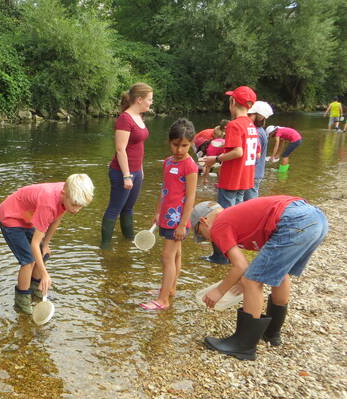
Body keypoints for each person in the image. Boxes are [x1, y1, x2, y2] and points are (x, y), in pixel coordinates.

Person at [191, 196, 327, 361]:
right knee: (279, 273)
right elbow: (261, 263)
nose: (207, 239)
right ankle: (271, 333)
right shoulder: (236, 218)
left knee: (251, 281)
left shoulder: (220, 225)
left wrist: (219, 291)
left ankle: (243, 346)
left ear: (204, 221)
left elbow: (241, 266)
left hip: (294, 221)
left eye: (201, 234)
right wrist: (243, 279)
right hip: (316, 219)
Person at [0, 174, 94, 314]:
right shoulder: (48, 203)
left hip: (27, 217)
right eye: (74, 205)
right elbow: (34, 244)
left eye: (80, 206)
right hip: (10, 216)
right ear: (64, 194)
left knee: (44, 252)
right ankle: (22, 299)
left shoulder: (70, 191)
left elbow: (56, 219)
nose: (76, 210)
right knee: (28, 260)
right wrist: (45, 274)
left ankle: (36, 286)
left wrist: (46, 244)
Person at [140, 119, 198, 311]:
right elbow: (165, 189)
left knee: (167, 257)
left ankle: (163, 300)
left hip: (178, 219)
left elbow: (190, 197)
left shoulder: (190, 166)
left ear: (191, 143)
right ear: (169, 142)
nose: (179, 150)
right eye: (176, 145)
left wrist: (182, 224)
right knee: (176, 254)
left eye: (185, 146)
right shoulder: (168, 162)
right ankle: (170, 288)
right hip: (166, 216)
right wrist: (158, 211)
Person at [201, 86, 258, 264]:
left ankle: (220, 256)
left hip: (231, 179)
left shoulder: (234, 125)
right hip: (245, 178)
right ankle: (235, 254)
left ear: (233, 103)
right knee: (237, 218)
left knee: (222, 218)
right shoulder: (251, 125)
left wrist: (215, 158)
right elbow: (254, 153)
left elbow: (238, 152)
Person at [100, 82, 153, 249]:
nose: (151, 102)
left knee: (128, 208)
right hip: (121, 172)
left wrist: (140, 170)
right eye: (149, 99)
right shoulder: (125, 119)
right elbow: (120, 149)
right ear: (139, 100)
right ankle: (105, 246)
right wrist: (126, 175)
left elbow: (138, 147)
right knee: (115, 208)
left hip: (136, 172)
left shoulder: (140, 117)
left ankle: (128, 241)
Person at [243, 101, 274, 200]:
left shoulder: (256, 132)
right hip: (256, 173)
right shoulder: (260, 131)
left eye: (249, 114)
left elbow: (255, 155)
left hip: (253, 174)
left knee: (250, 202)